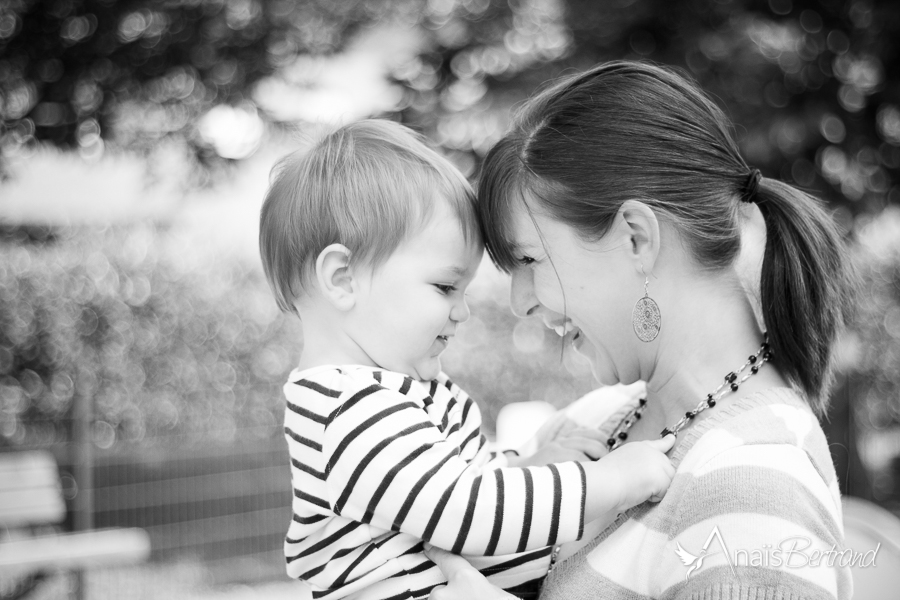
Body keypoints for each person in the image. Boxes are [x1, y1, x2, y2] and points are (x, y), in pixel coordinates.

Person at [424, 61, 855, 600]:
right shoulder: (592, 423)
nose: (519, 302)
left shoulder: (752, 494)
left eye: (531, 260)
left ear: (635, 239)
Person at [257, 119, 677, 600]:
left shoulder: (395, 389)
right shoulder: (347, 410)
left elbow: (454, 487)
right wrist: (613, 481)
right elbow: (464, 514)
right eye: (444, 287)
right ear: (342, 278)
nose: (463, 311)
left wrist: (531, 467)